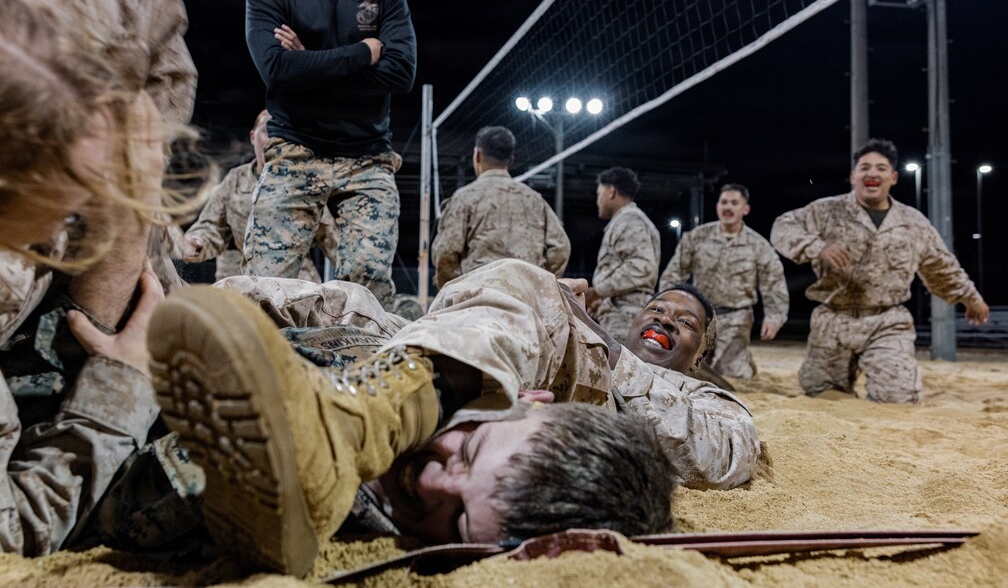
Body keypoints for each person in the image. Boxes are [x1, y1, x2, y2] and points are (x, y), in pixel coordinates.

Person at [148, 259, 761, 576]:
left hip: (544, 411)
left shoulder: (698, 393)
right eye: (657, 309)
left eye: (685, 323)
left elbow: (729, 449)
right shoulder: (568, 333)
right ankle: (160, 299)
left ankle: (357, 419)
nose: (665, 319)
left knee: (529, 288)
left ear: (702, 351)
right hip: (476, 363)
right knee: (346, 307)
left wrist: (601, 351)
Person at [0, 0, 201, 556]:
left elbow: (150, 20)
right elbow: (1, 533)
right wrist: (120, 382)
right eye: (52, 219)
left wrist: (124, 216)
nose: (64, 229)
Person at [243, 0, 417, 306]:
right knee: (264, 290)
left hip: (368, 159)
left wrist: (307, 61)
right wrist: (362, 52)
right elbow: (276, 71)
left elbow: (400, 74)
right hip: (295, 149)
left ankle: (354, 352)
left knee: (365, 291)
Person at [771, 139, 990, 403]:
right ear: (853, 176)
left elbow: (942, 267)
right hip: (832, 321)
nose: (872, 173)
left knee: (897, 399)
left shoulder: (913, 222)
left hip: (887, 322)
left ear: (893, 177)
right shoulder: (826, 210)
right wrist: (817, 247)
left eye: (881, 168)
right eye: (864, 168)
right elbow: (783, 227)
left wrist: (971, 298)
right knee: (821, 394)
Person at [180, 110, 337, 281]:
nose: (273, 140)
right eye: (267, 131)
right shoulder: (236, 179)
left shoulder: (303, 183)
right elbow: (211, 227)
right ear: (253, 137)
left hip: (295, 283)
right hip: (245, 279)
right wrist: (195, 243)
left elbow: (332, 238)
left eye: (281, 133)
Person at [659, 184, 789, 378]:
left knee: (730, 374)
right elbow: (674, 273)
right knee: (689, 369)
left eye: (734, 203)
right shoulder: (696, 237)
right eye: (724, 202)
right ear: (718, 206)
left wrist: (774, 317)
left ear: (745, 209)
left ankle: (739, 358)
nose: (728, 207)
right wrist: (667, 305)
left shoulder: (758, 246)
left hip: (736, 318)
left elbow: (774, 283)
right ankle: (735, 357)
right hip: (700, 316)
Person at [431, 126, 570, 288]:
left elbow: (445, 252)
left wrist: (456, 288)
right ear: (511, 160)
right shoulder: (535, 200)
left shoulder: (464, 198)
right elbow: (561, 248)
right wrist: (538, 283)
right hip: (525, 294)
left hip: (480, 294)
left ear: (477, 155)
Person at [587, 166, 662, 339]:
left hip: (626, 316)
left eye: (599, 194)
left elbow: (641, 267)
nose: (597, 200)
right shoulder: (625, 220)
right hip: (620, 312)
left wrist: (599, 290)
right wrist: (603, 299)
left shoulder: (630, 220)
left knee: (620, 358)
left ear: (611, 192)